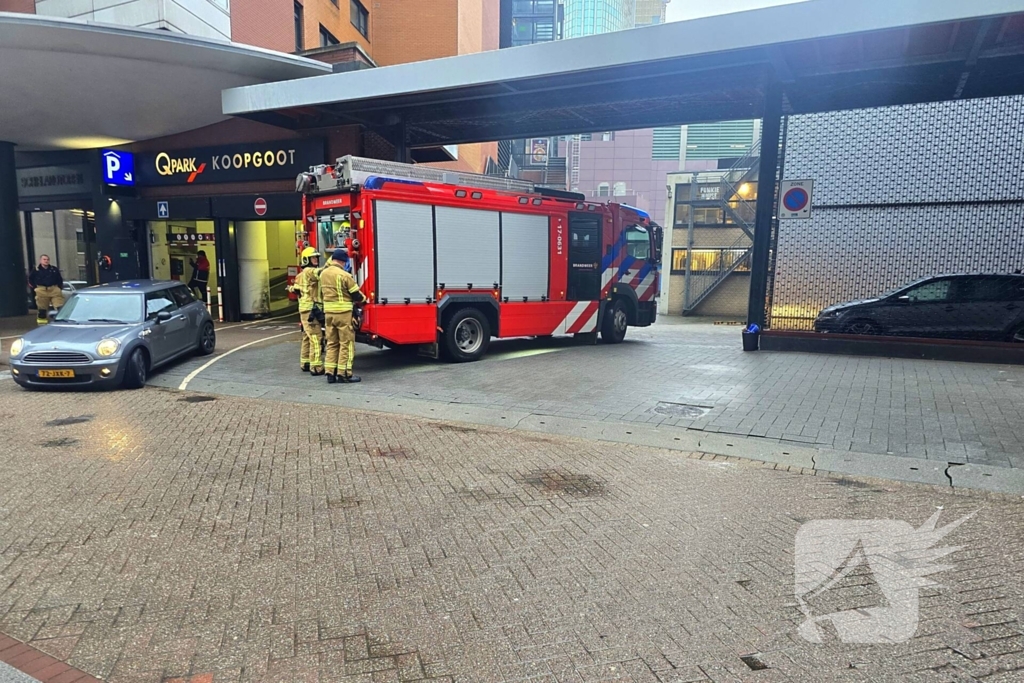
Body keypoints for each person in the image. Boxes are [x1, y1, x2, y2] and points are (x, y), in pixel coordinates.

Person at [320, 248, 365, 384]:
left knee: (332, 343)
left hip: (328, 314)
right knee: (346, 344)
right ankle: (344, 374)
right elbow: (356, 295)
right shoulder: (344, 275)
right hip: (343, 315)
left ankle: (330, 373)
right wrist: (364, 299)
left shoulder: (323, 274)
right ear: (343, 261)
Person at [287, 247, 325, 376]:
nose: (316, 259)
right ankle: (316, 367)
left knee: (307, 338)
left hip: (305, 310)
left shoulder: (300, 275)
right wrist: (332, 265)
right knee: (316, 338)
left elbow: (295, 289)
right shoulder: (309, 271)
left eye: (316, 257)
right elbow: (320, 273)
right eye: (313, 257)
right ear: (306, 260)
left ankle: (306, 362)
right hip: (311, 310)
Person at [28, 255, 63, 325]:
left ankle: (61, 322)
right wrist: (36, 288)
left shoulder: (54, 269)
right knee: (42, 309)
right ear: (40, 261)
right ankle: (42, 325)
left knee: (60, 307)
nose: (46, 261)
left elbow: (60, 279)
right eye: (44, 259)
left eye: (47, 259)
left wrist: (59, 287)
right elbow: (30, 280)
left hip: (54, 289)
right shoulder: (36, 270)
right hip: (41, 290)